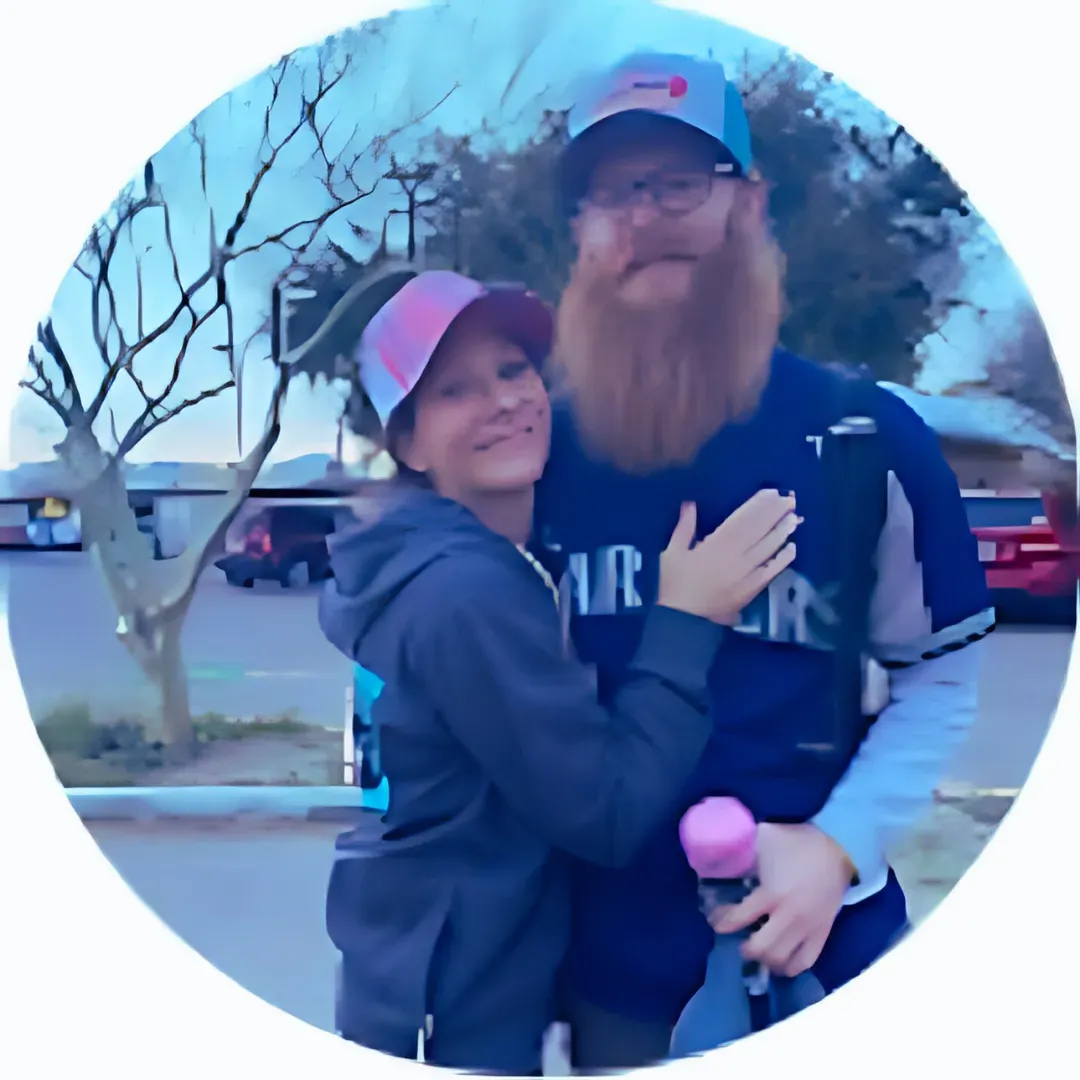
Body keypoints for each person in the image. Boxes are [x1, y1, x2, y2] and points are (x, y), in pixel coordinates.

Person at [532, 52, 994, 1069]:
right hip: (612, 985)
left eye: (680, 183)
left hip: (824, 967)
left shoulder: (865, 438)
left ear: (749, 203)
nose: (645, 217)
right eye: (615, 192)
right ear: (582, 233)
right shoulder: (539, 457)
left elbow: (942, 671)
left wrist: (839, 848)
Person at [318, 269, 802, 1075]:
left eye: (514, 371)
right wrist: (687, 621)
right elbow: (607, 814)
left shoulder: (446, 558)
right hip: (450, 1002)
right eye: (454, 391)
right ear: (405, 443)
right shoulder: (463, 592)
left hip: (417, 960)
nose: (505, 400)